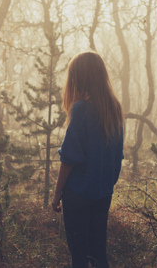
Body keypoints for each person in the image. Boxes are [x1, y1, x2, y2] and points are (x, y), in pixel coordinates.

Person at [52, 51, 124, 268]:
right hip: (102, 194)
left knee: (80, 257)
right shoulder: (114, 109)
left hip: (78, 194)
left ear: (80, 78)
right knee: (98, 254)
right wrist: (106, 186)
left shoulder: (81, 108)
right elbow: (117, 157)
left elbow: (69, 158)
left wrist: (57, 195)